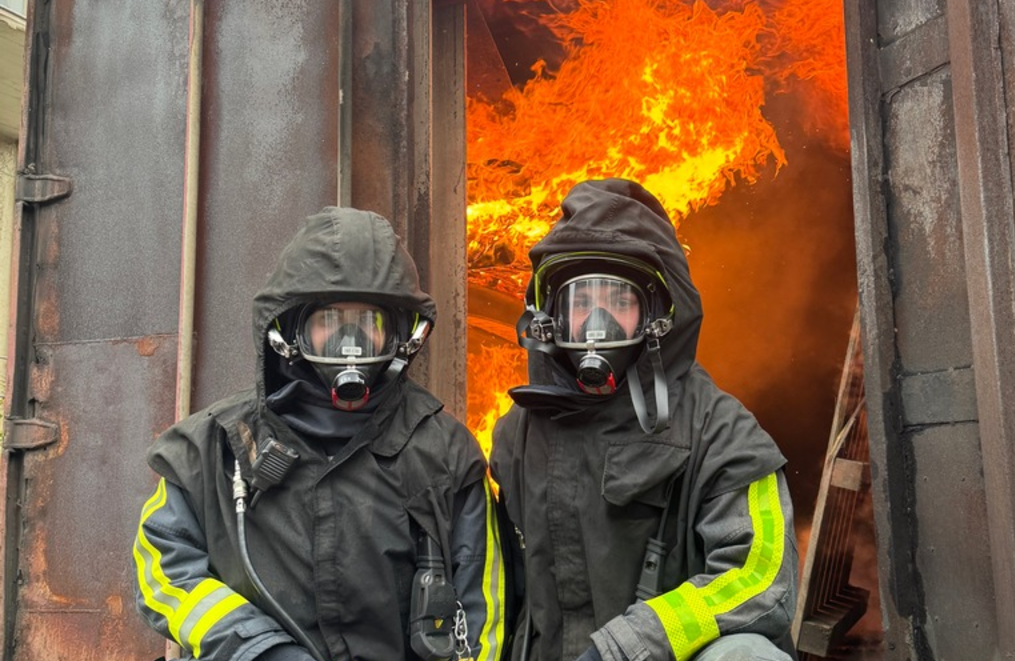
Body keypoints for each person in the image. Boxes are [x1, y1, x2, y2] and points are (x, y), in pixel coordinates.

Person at [132, 207, 507, 661]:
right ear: (289, 331)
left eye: (368, 324)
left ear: (400, 336)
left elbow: (483, 607)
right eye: (328, 323)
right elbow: (161, 568)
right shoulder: (211, 447)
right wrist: (260, 651)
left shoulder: (446, 453)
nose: (349, 343)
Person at [490, 179, 799, 661]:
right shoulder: (517, 435)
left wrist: (626, 647)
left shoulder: (720, 430)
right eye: (581, 302)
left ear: (655, 315)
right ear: (552, 317)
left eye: (619, 302)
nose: (598, 322)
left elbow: (759, 577)